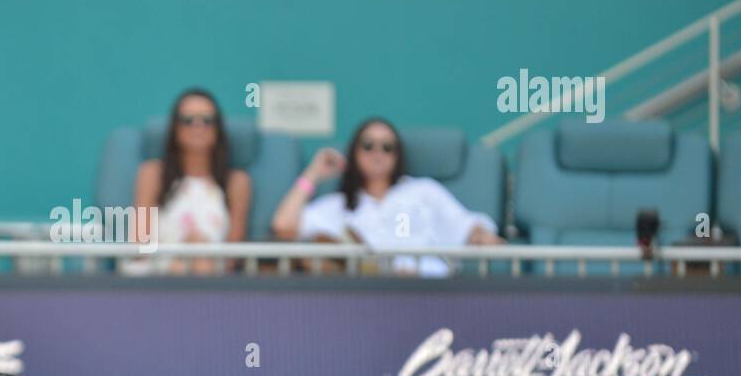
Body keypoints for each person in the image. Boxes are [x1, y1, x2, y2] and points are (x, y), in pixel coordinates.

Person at [271, 118, 503, 277]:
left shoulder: (423, 191)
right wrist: (313, 173)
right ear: (354, 152)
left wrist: (481, 235)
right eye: (368, 145)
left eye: (387, 147)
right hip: (366, 300)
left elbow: (467, 226)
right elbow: (283, 225)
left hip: (428, 293)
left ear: (398, 154)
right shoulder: (339, 205)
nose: (378, 153)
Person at [131, 90, 251, 274]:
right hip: (156, 270)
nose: (197, 126)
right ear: (175, 128)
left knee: (201, 262)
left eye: (207, 120)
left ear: (217, 128)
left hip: (211, 273)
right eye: (187, 120)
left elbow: (231, 256)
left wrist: (199, 248)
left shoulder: (237, 182)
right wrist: (182, 250)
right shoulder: (152, 173)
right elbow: (139, 241)